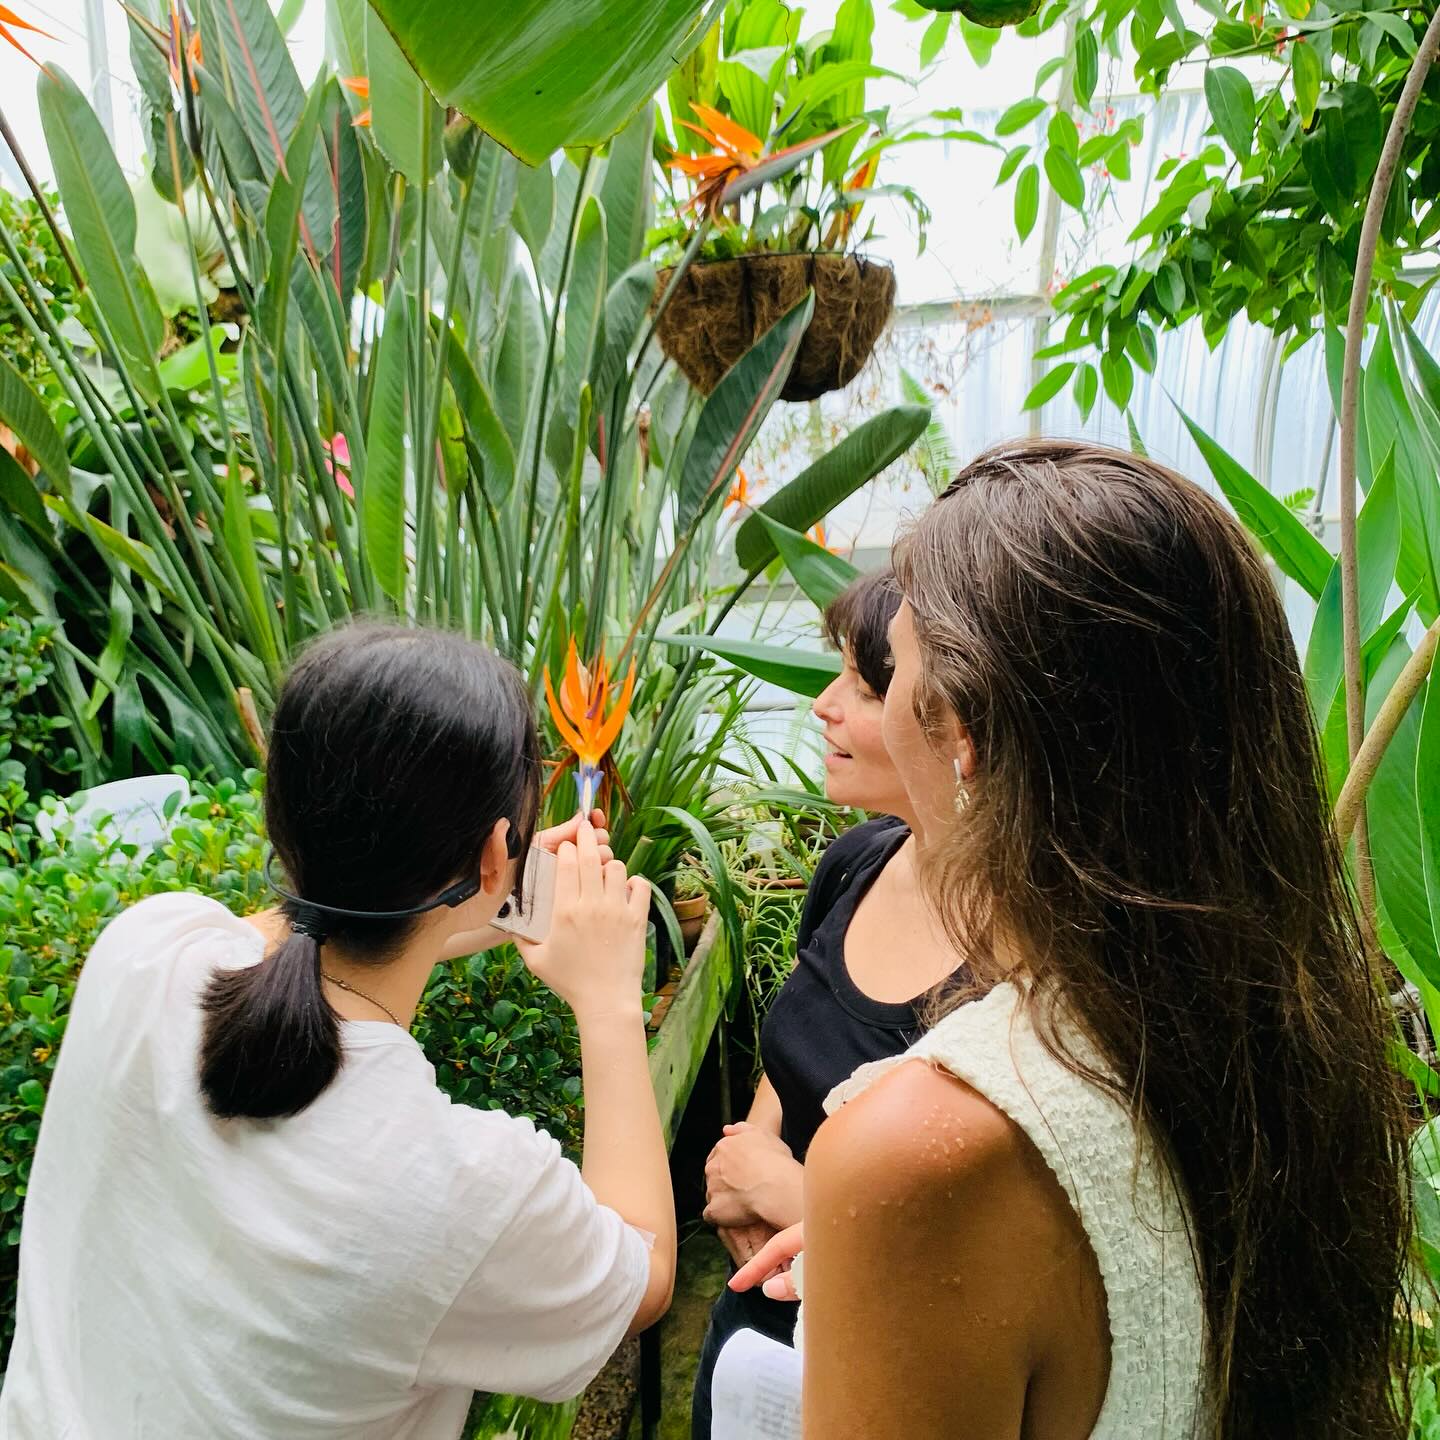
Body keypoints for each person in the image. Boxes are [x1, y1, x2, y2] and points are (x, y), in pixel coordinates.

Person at [734, 441, 1411, 1439]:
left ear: (961, 731)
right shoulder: (1276, 1021)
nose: (836, 704)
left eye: (892, 679)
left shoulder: (925, 1149)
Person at [1, 623, 675, 1440]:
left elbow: (304, 930)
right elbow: (644, 1274)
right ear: (499, 850)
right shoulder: (464, 1187)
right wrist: (605, 1000)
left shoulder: (144, 949)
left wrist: (477, 890)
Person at [690, 570, 963, 1440]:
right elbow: (803, 1029)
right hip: (752, 1336)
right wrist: (750, 1150)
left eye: (867, 685)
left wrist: (804, 1202)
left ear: (958, 725)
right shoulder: (858, 861)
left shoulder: (1016, 979)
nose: (824, 706)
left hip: (877, 1365)